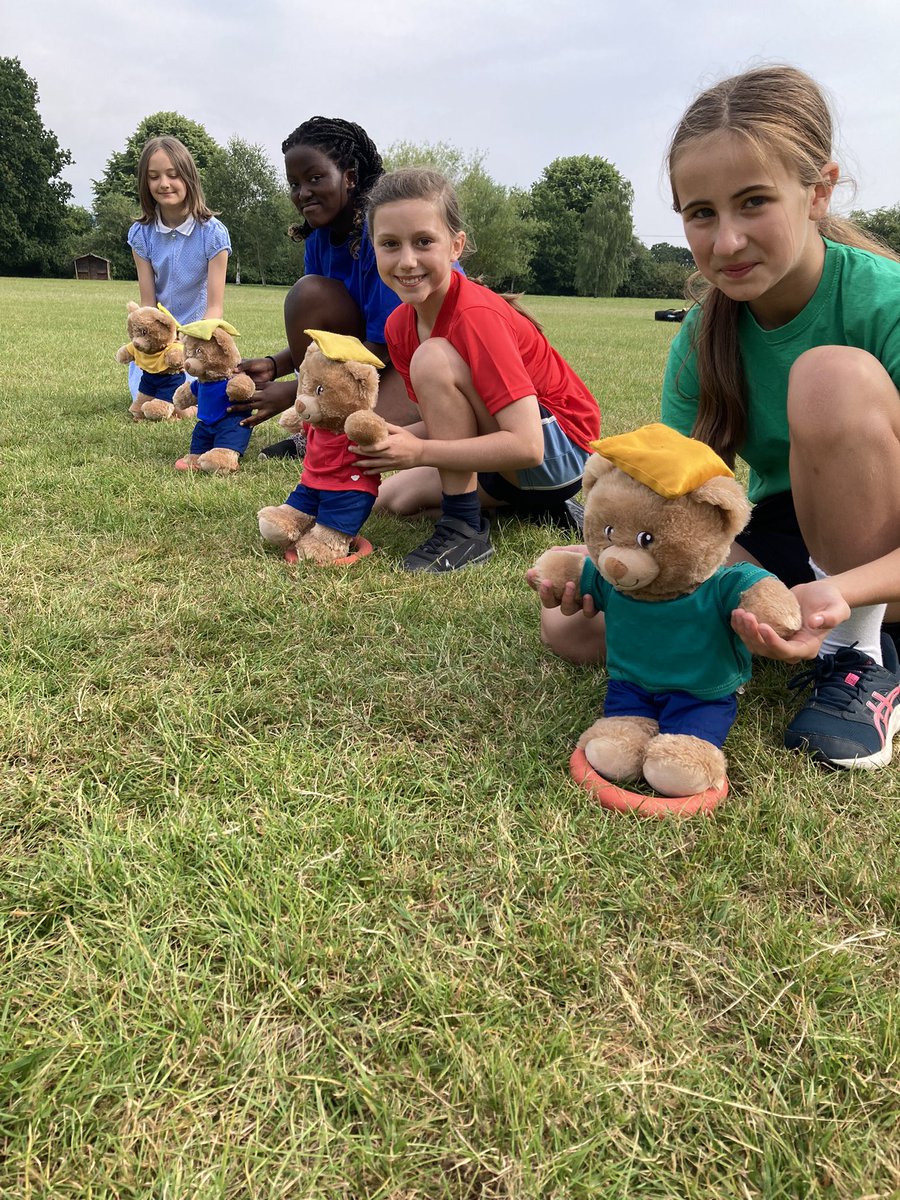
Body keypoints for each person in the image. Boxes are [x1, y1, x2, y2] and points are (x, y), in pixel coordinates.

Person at [530, 65, 900, 771]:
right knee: (570, 627)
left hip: (877, 561)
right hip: (793, 543)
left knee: (827, 376)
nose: (725, 241)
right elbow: (675, 509)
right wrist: (618, 572)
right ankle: (808, 632)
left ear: (818, 190)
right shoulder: (706, 334)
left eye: (753, 202)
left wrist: (840, 595)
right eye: (701, 213)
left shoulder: (885, 304)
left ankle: (861, 652)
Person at [351, 167, 600, 573]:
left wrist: (420, 452)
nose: (407, 260)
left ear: (455, 246)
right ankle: (533, 509)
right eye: (390, 244)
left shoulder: (476, 315)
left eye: (424, 241)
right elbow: (446, 422)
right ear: (373, 249)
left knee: (433, 357)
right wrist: (387, 441)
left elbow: (527, 446)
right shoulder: (400, 324)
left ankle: (464, 529)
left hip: (560, 454)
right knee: (391, 503)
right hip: (508, 459)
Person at [227, 117, 417, 458]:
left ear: (350, 177)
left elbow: (383, 348)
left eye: (315, 178)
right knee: (308, 293)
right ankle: (319, 422)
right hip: (375, 356)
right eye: (294, 184)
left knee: (362, 439)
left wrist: (295, 392)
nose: (303, 193)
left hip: (419, 357)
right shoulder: (320, 240)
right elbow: (328, 335)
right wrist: (275, 365)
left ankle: (319, 421)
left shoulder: (384, 236)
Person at [127, 136, 231, 418]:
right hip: (158, 341)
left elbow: (214, 309)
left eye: (173, 175)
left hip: (197, 343)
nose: (164, 183)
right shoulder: (141, 234)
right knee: (148, 395)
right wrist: (156, 346)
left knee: (197, 392)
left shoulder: (213, 234)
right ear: (145, 183)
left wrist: (193, 346)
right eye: (154, 176)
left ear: (188, 178)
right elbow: (148, 305)